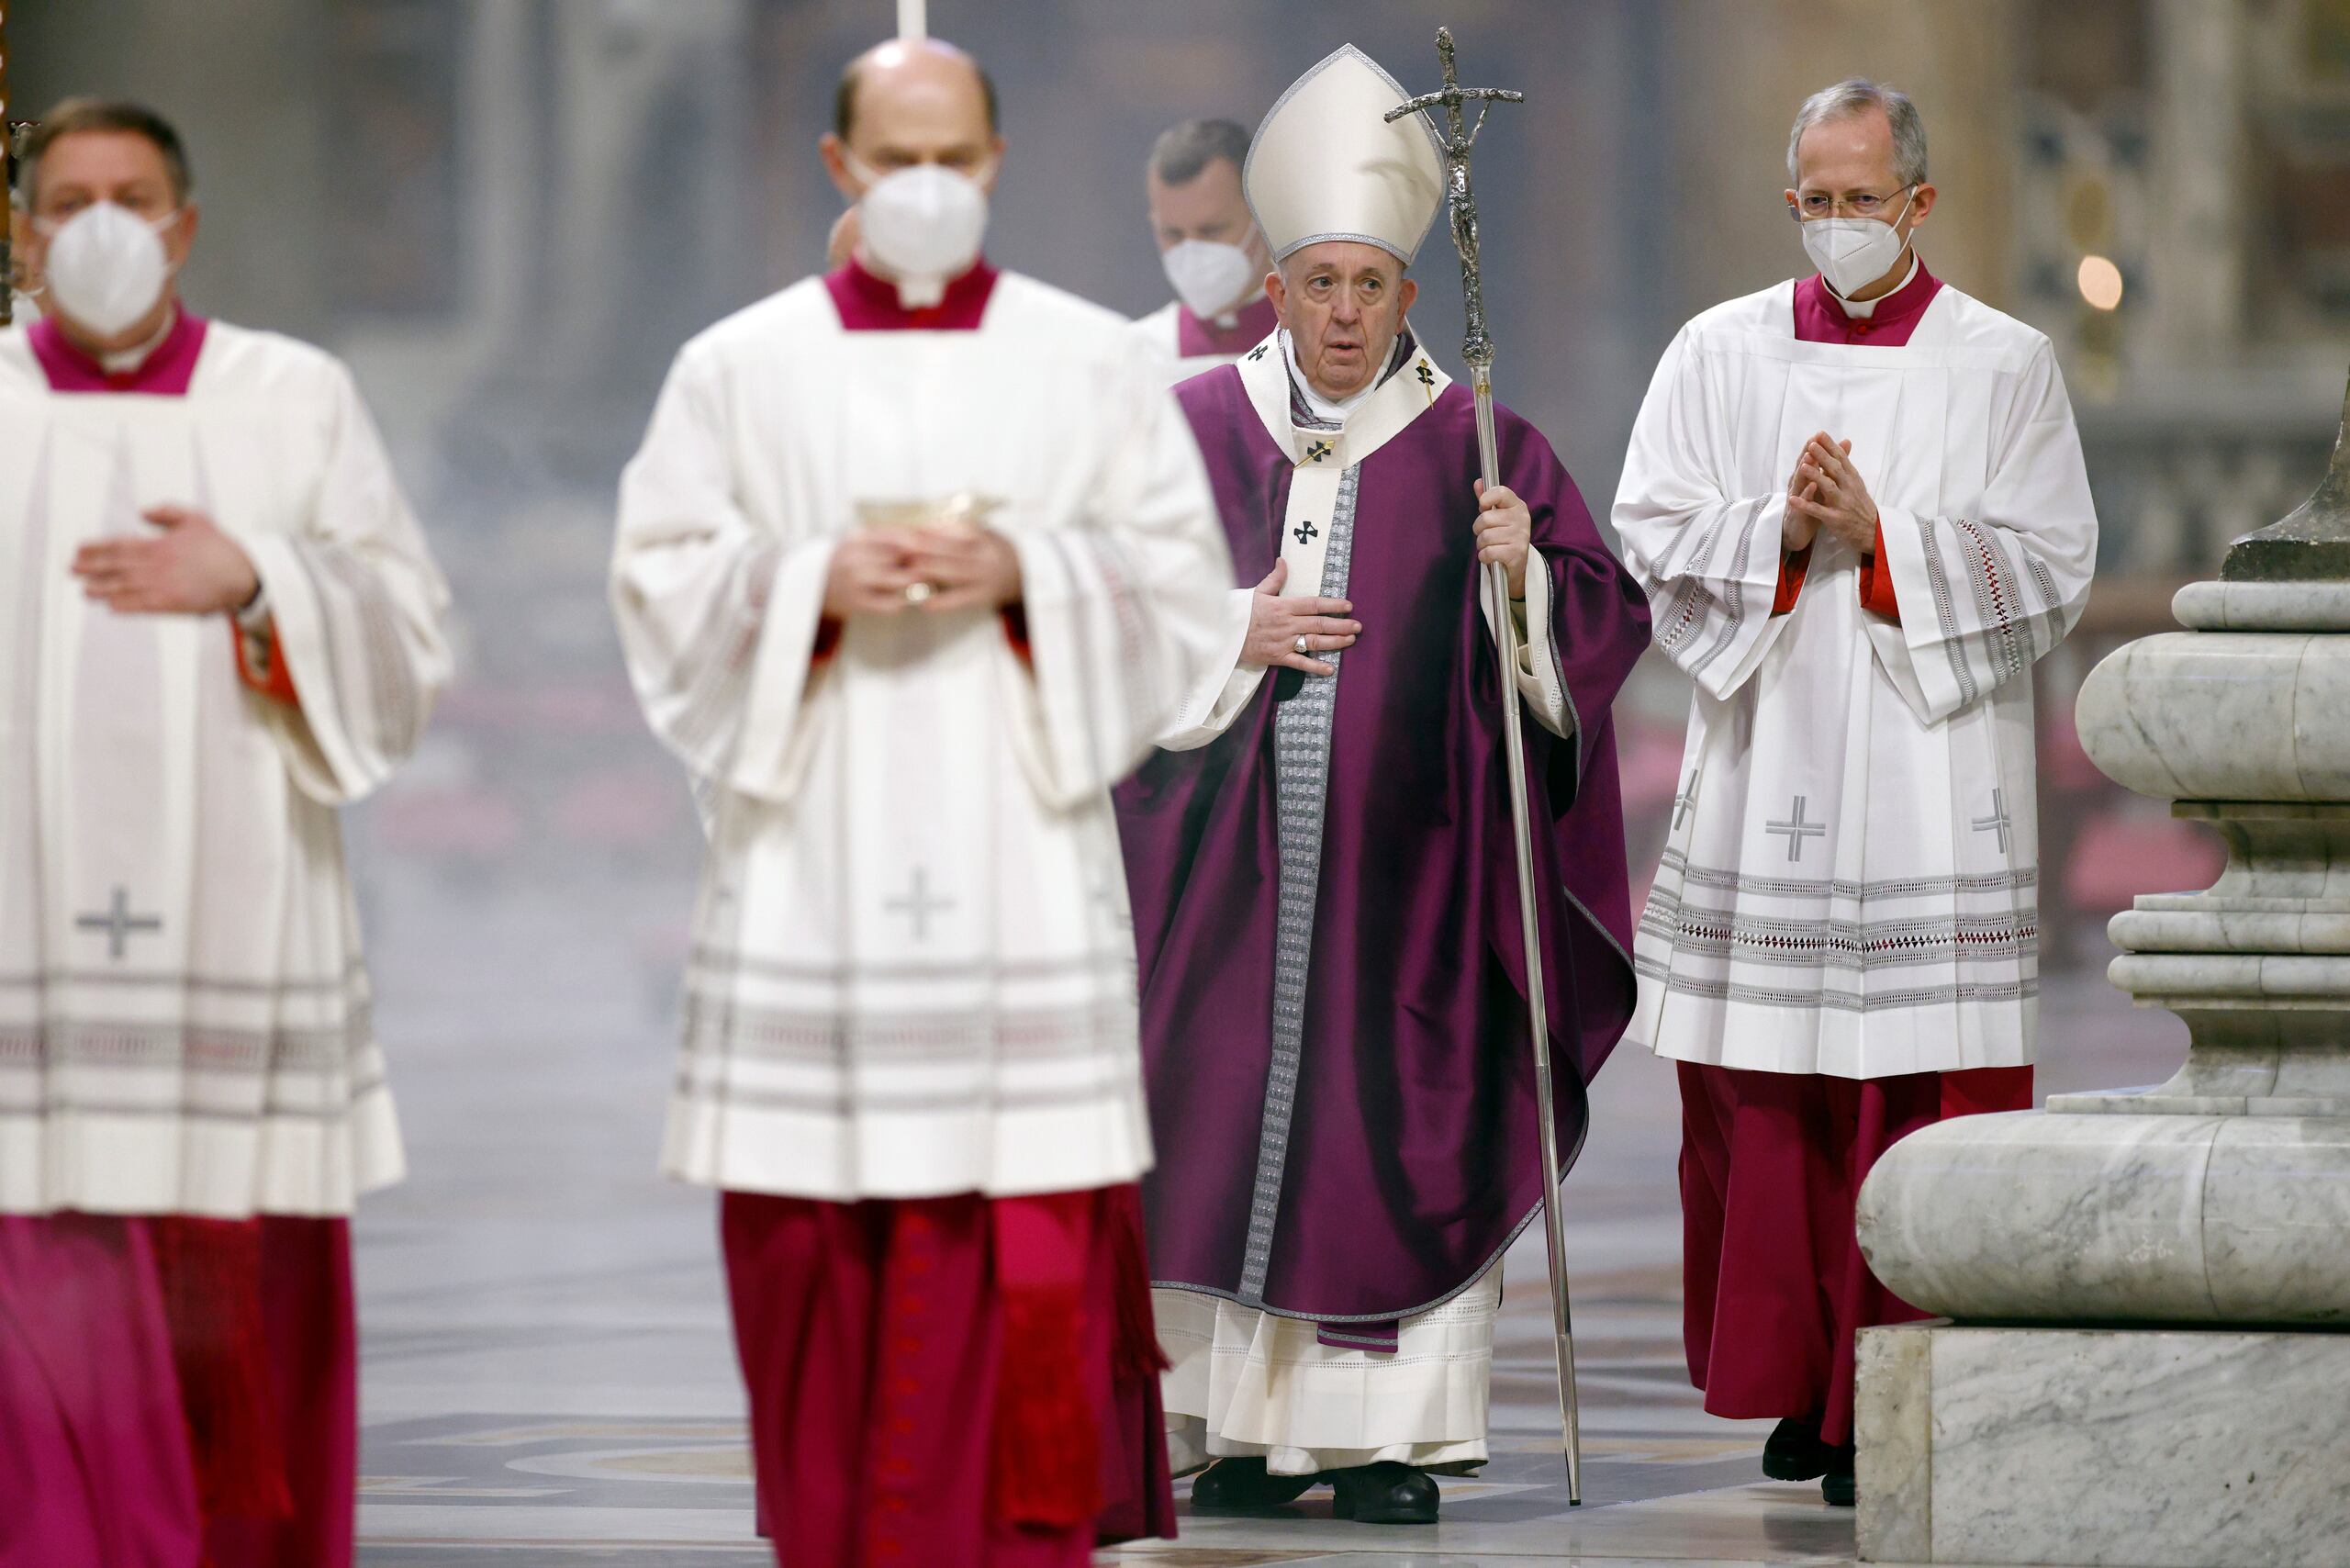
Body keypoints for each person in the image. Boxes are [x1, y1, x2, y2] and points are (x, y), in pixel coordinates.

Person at [610, 36, 1235, 1568]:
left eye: (955, 158)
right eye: (897, 162)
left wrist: (1031, 571)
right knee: (809, 1254)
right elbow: (661, 590)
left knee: (1018, 1249)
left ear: (998, 164)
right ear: (839, 170)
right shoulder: (737, 368)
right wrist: (808, 577)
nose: (928, 189)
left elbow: (1184, 604)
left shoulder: (1092, 361)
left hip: (1016, 872)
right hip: (813, 875)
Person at [1115, 46, 1651, 1527]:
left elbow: (1604, 624)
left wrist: (1523, 576)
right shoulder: (1184, 432)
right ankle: (1220, 1426)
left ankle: (1380, 1443)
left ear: (1410, 296)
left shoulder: (1488, 446)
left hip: (1411, 892)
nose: (1345, 313)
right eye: (1319, 284)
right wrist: (1237, 625)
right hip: (1217, 884)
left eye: (1371, 285)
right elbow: (1101, 606)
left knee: (1392, 1137)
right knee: (1211, 1121)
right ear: (1274, 288)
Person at [1614, 78, 2098, 1507]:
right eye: (1812, 201)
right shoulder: (1717, 352)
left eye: (1860, 199)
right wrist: (1780, 528)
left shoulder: (2002, 364)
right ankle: (1795, 1387)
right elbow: (1651, 527)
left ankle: (1901, 1381)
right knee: (1772, 1096)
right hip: (1775, 765)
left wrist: (1886, 541)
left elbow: (2054, 562)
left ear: (1921, 205)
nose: (1835, 225)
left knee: (1914, 1091)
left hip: (1929, 781)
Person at [0, 99, 452, 1566]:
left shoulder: (293, 397)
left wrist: (260, 578)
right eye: (68, 199)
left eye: (133, 196)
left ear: (186, 227)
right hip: (22, 941)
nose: (102, 225)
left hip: (235, 942)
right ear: (21, 231)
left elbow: (411, 634)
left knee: (235, 1318)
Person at [1129, 118, 1276, 383]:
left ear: (1262, 213)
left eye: (1212, 230)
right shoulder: (1137, 354)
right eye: (1172, 234)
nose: (1192, 251)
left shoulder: (1320, 342)